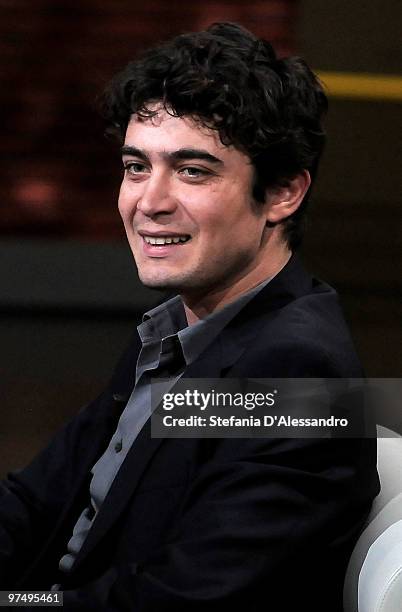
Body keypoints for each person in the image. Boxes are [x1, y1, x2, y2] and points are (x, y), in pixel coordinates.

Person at [0, 22, 379, 611]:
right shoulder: (180, 327)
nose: (149, 202)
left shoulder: (297, 373)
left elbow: (178, 599)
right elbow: (36, 502)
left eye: (193, 170)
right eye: (135, 167)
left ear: (282, 193)